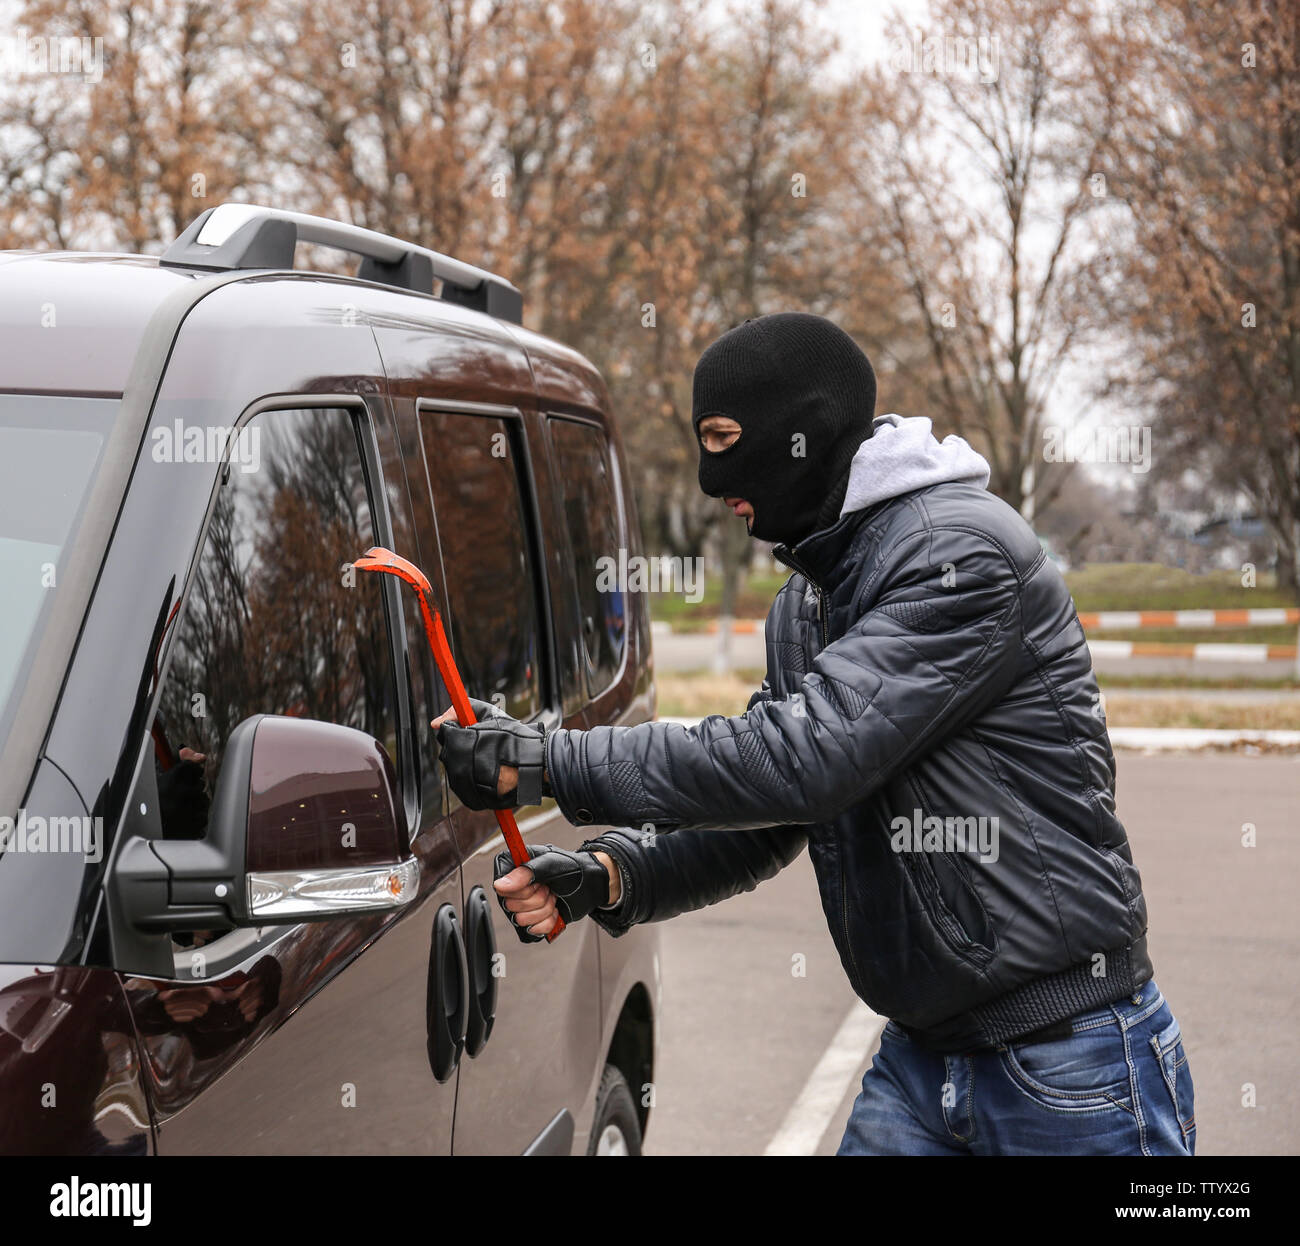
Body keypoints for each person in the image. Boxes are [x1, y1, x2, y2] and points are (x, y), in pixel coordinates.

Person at [432, 312, 1195, 1156]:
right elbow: (773, 807)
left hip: (1066, 1061)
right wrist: (613, 874)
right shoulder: (809, 600)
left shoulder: (958, 555)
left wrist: (547, 762)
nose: (709, 478)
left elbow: (805, 759)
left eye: (724, 439)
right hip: (919, 1058)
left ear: (805, 431)